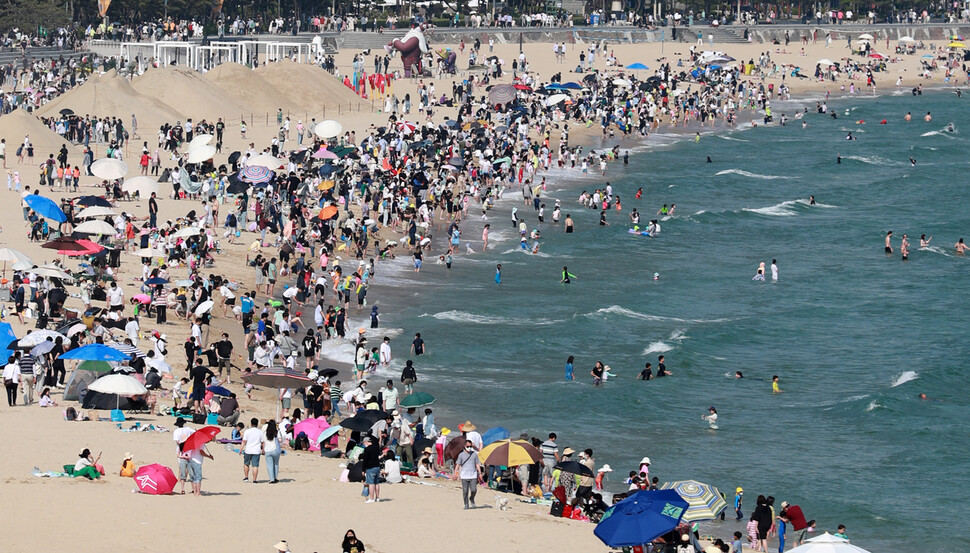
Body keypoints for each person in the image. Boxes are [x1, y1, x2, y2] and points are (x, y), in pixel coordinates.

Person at [454, 439, 483, 509]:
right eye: (468, 446)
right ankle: (466, 504)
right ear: (464, 446)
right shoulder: (461, 455)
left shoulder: (474, 454)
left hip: (473, 475)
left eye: (470, 446)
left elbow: (477, 464)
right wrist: (455, 474)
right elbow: (457, 464)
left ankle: (472, 498)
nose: (469, 448)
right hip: (464, 475)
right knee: (465, 491)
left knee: (474, 490)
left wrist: (480, 473)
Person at [241, 417, 263, 483]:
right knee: (255, 466)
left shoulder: (247, 431)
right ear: (257, 424)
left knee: (246, 464)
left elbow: (244, 441)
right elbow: (262, 442)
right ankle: (254, 480)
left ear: (251, 424)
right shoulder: (260, 432)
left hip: (248, 450)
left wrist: (241, 448)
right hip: (256, 450)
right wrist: (263, 449)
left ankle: (246, 477)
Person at [361, 435, 382, 503]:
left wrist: (363, 470)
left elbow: (365, 460)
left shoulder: (367, 449)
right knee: (377, 483)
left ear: (367, 442)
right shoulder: (376, 448)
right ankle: (377, 498)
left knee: (371, 483)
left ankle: (372, 498)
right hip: (377, 467)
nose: (364, 444)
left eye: (364, 443)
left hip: (370, 467)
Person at [263, 419, 282, 484]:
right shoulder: (276, 432)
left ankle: (271, 479)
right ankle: (275, 477)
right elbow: (280, 440)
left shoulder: (265, 432)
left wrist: (262, 449)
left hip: (267, 450)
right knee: (276, 464)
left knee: (269, 465)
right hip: (275, 450)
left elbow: (263, 442)